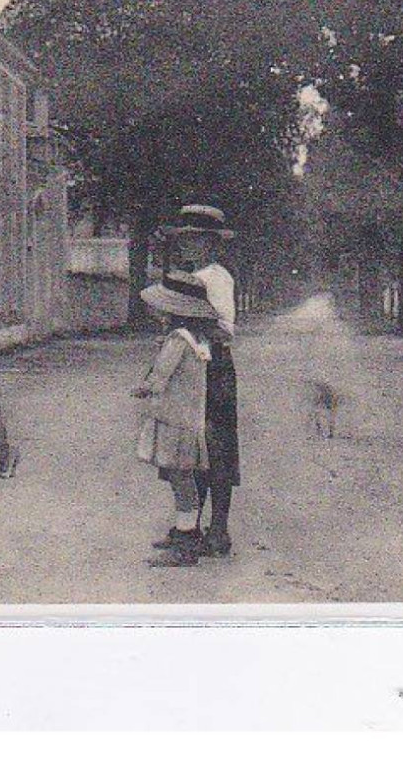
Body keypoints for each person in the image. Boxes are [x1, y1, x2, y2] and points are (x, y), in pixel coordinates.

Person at [165, 204, 240, 559]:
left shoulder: (217, 278)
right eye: (183, 240)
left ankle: (218, 529)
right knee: (188, 447)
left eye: (195, 240)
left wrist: (189, 324)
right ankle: (189, 526)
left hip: (213, 368)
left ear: (212, 244)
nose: (186, 246)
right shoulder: (188, 276)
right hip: (191, 366)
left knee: (216, 445)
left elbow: (224, 330)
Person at [131, 270, 219, 568]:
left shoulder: (177, 341)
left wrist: (143, 388)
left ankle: (185, 543)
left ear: (173, 310)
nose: (156, 311)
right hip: (188, 418)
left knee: (181, 479)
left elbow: (159, 377)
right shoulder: (195, 338)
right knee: (183, 478)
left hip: (174, 420)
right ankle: (185, 533)